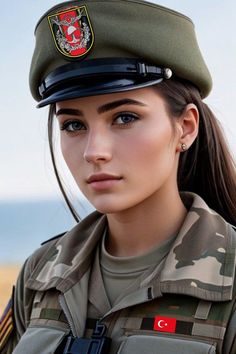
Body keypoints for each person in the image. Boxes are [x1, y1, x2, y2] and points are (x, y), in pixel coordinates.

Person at [1, 0, 236, 353]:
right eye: (74, 125)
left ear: (185, 127)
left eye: (124, 117)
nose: (94, 151)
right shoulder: (40, 275)